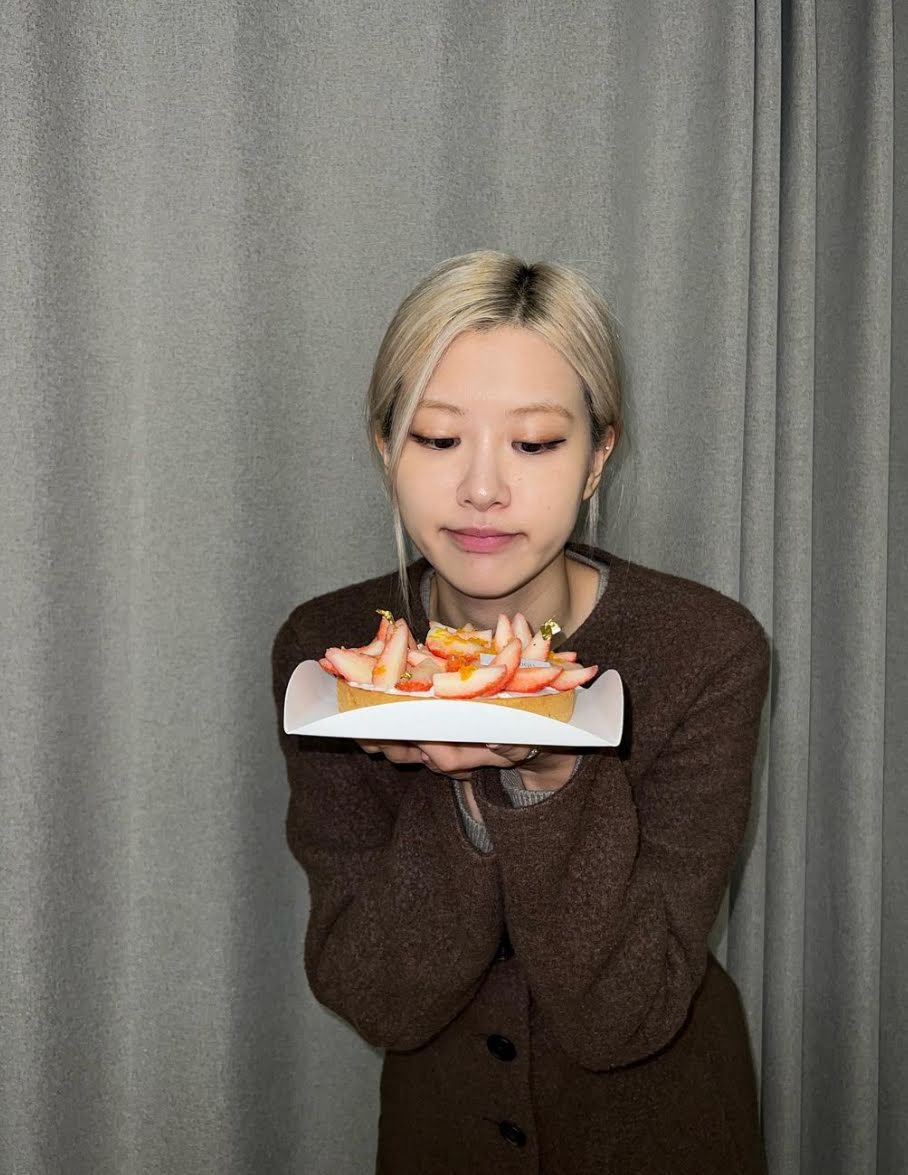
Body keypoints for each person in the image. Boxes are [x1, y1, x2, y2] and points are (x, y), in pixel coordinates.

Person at [271, 250, 770, 1174]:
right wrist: (459, 793)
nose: (483, 488)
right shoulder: (334, 654)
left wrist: (549, 773)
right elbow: (375, 996)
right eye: (436, 437)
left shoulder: (707, 649)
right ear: (385, 446)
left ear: (598, 455)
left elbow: (625, 1013)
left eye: (535, 443)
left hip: (663, 1134)